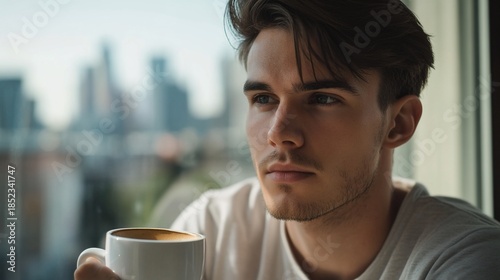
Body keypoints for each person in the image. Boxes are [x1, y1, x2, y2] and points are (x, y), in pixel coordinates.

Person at [75, 0, 500, 279]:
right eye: (263, 98)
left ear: (399, 124)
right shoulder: (214, 231)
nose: (279, 132)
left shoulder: (464, 259)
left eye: (322, 98)